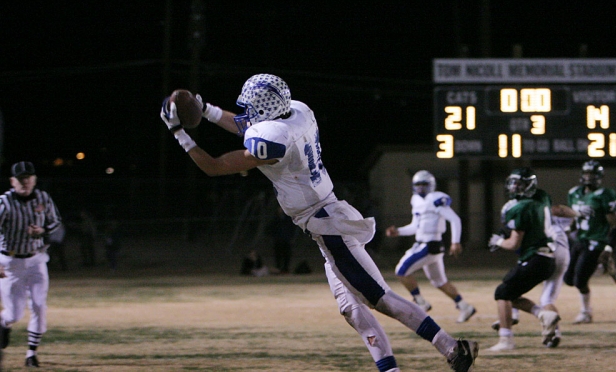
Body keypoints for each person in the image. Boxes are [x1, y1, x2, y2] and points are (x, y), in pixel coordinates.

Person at [161, 74, 478, 371]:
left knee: (378, 298)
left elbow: (215, 166)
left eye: (250, 107)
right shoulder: (297, 111)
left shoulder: (271, 139)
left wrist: (180, 133)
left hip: (327, 223)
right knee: (351, 309)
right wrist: (204, 109)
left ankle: (453, 349)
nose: (245, 113)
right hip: (326, 217)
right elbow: (247, 123)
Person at [385, 170, 476, 323]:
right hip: (425, 244)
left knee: (401, 271)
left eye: (424, 184)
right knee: (439, 282)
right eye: (418, 185)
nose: (421, 188)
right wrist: (399, 232)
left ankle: (421, 303)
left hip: (430, 244)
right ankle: (464, 306)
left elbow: (454, 220)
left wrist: (455, 241)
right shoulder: (416, 200)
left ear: (431, 185)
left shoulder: (436, 199)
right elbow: (416, 226)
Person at [486, 167, 560, 351]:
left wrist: (499, 241)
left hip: (535, 257)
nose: (514, 186)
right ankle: (544, 315)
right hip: (548, 258)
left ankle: (506, 340)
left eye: (519, 183)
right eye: (513, 182)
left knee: (502, 293)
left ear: (529, 185)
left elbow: (513, 244)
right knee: (510, 293)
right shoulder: (542, 196)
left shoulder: (519, 209)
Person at [0, 161, 63, 368]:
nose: (25, 182)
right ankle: (3, 323)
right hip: (11, 261)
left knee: (38, 305)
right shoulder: (4, 202)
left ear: (34, 179)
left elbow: (55, 222)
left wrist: (42, 230)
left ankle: (31, 354)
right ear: (12, 181)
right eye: (20, 179)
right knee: (14, 313)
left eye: (28, 178)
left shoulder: (43, 198)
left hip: (36, 259)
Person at [564, 160, 616, 324]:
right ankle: (601, 267)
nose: (589, 177)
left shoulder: (605, 195)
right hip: (580, 238)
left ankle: (585, 312)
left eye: (593, 174)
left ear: (599, 177)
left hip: (597, 240)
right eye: (587, 173)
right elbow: (575, 217)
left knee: (580, 280)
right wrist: (570, 228)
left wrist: (609, 248)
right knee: (568, 280)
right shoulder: (574, 193)